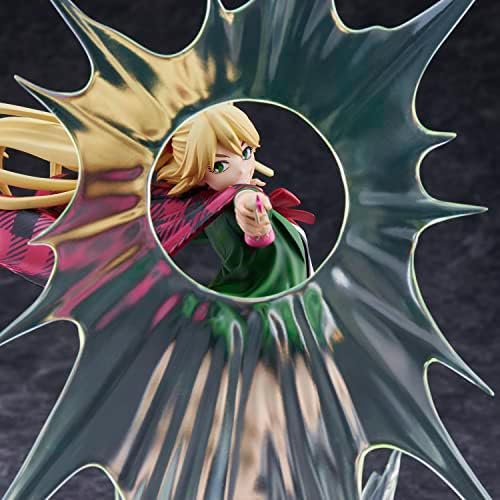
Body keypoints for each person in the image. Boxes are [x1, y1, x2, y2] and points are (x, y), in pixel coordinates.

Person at [0, 102, 315, 297]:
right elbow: (245, 213)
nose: (242, 169)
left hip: (284, 313)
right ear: (195, 172)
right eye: (219, 166)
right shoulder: (224, 201)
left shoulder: (204, 203)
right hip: (251, 322)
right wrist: (255, 222)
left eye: (246, 152)